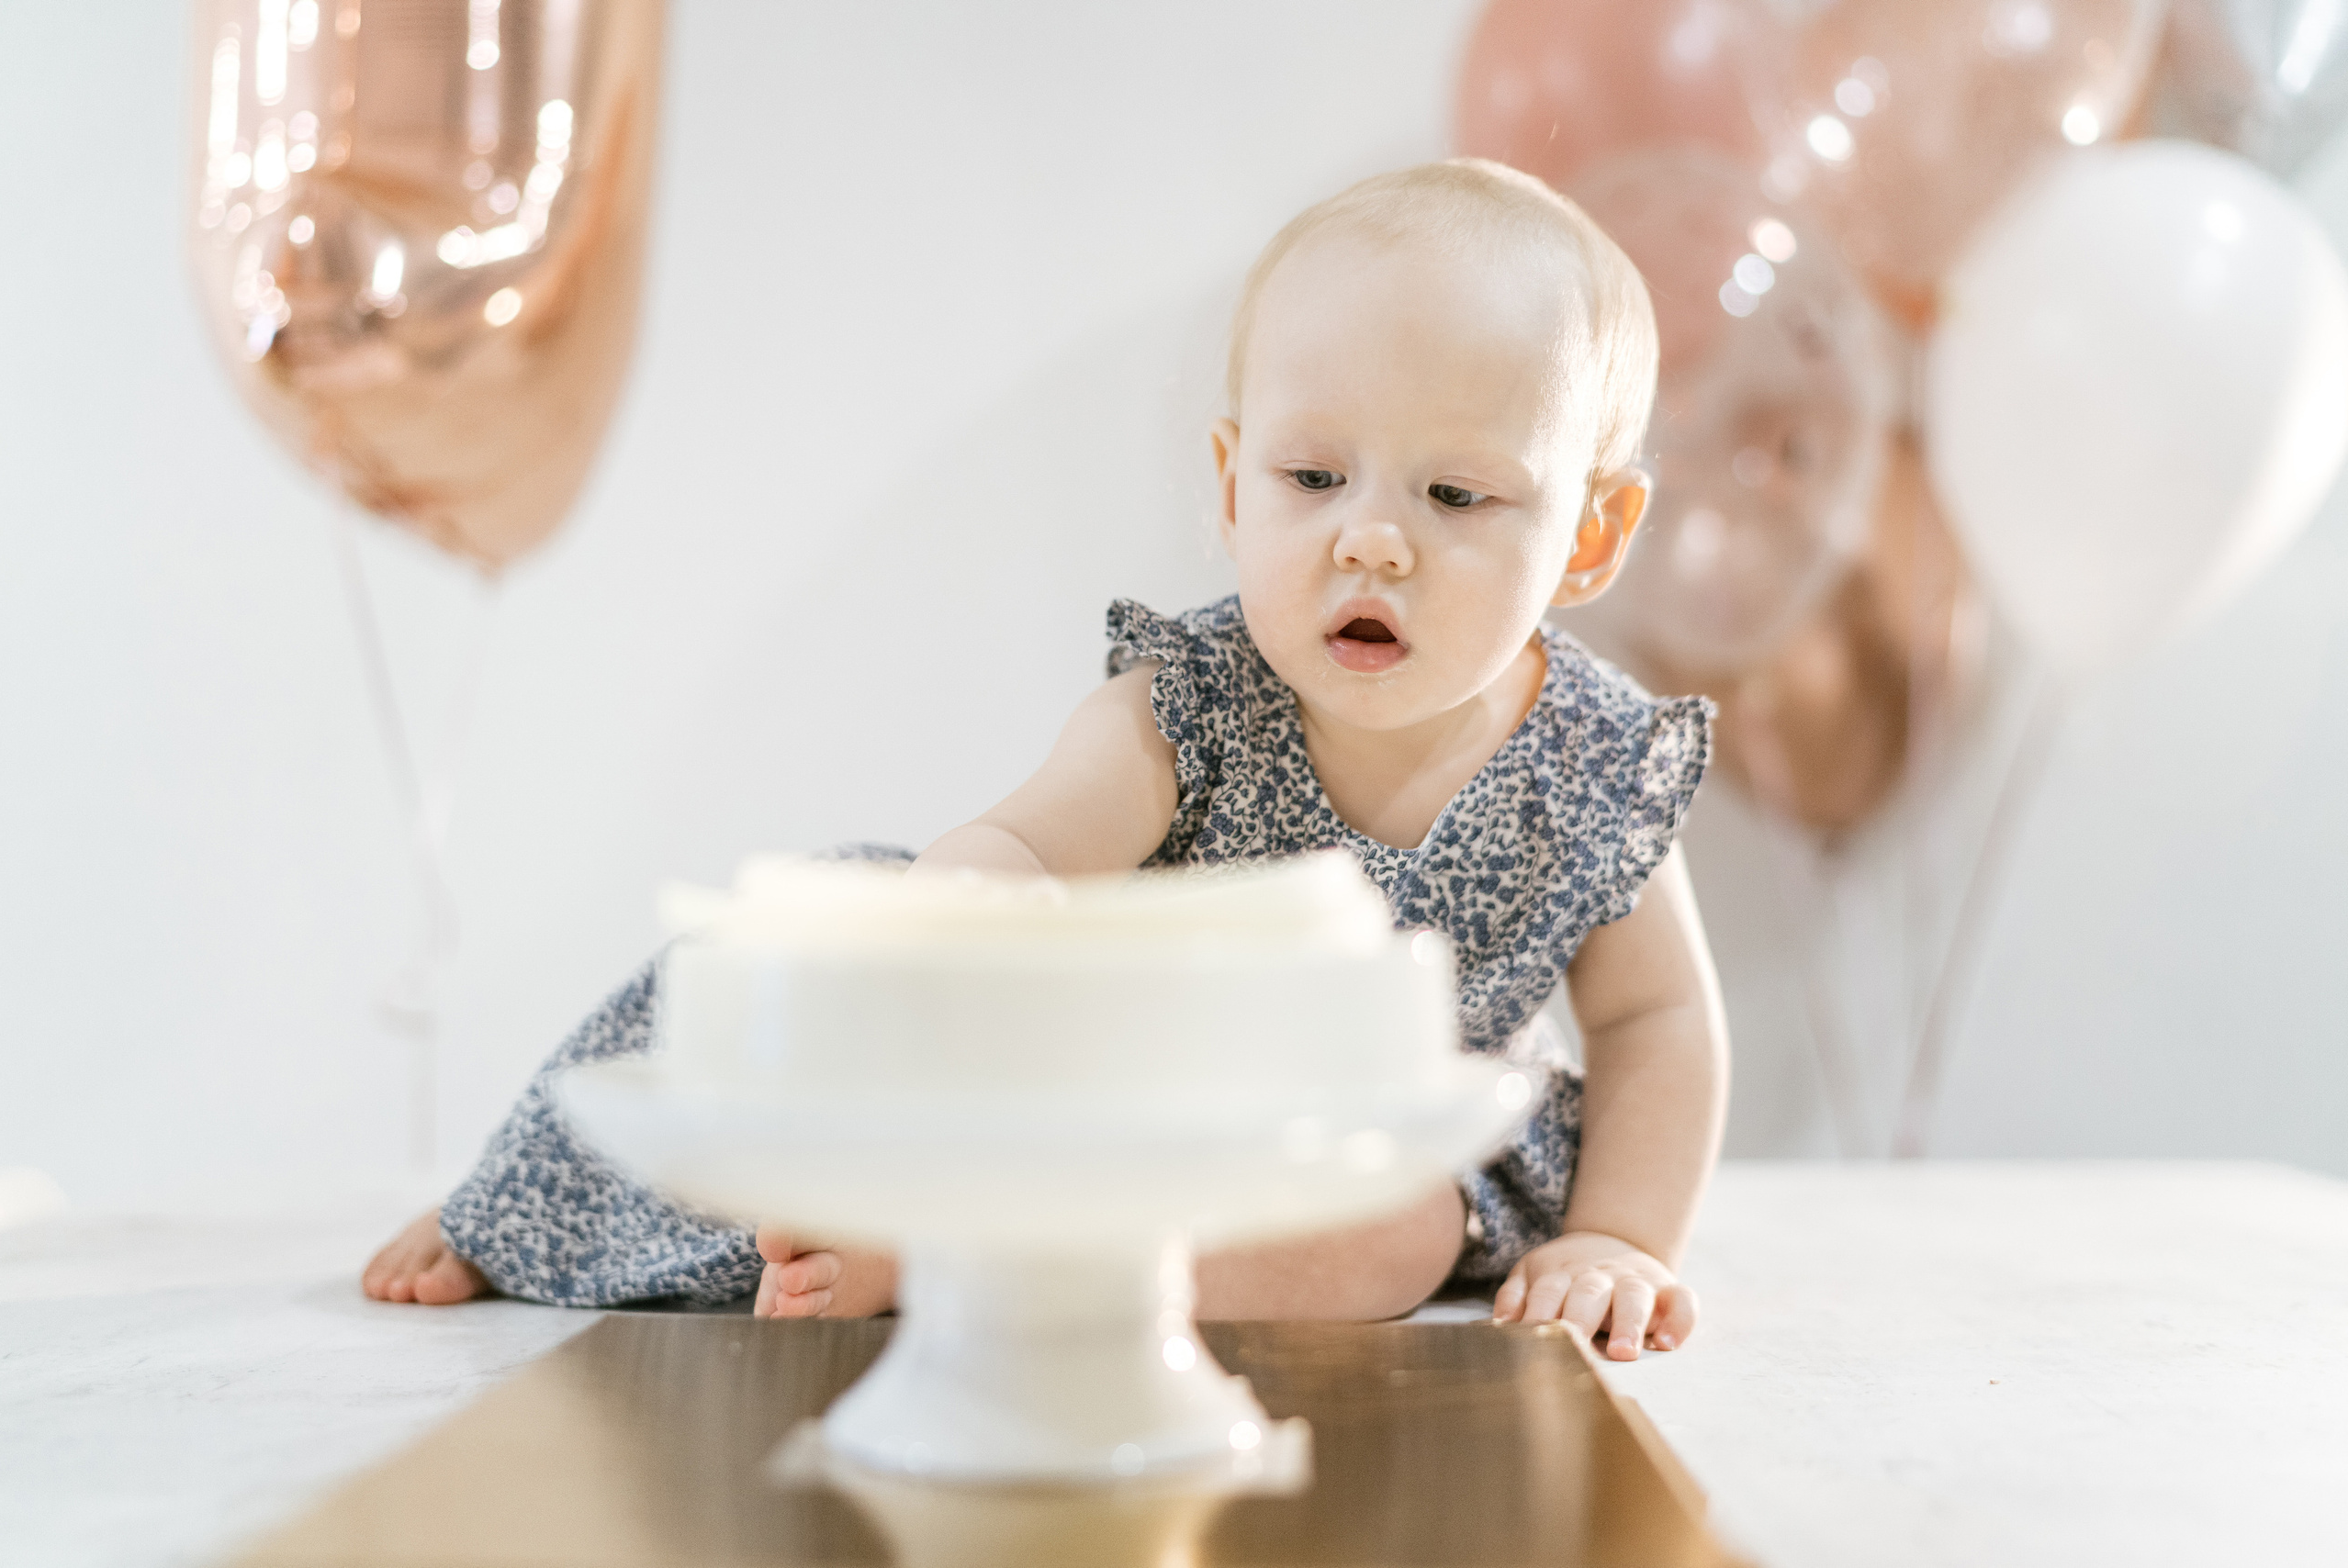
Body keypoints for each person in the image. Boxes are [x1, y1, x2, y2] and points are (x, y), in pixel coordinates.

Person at [363, 159, 1728, 1361]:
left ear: (1593, 539)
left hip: (1349, 1151)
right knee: (800, 947)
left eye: (1455, 494)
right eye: (1315, 479)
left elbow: (1656, 1025)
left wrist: (1620, 1237)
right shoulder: (1194, 702)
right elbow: (1019, 843)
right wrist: (976, 904)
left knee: (1397, 1233)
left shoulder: (1594, 766)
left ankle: (994, 1271)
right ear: (1232, 480)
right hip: (1117, 1100)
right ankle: (520, 1204)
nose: (1373, 540)